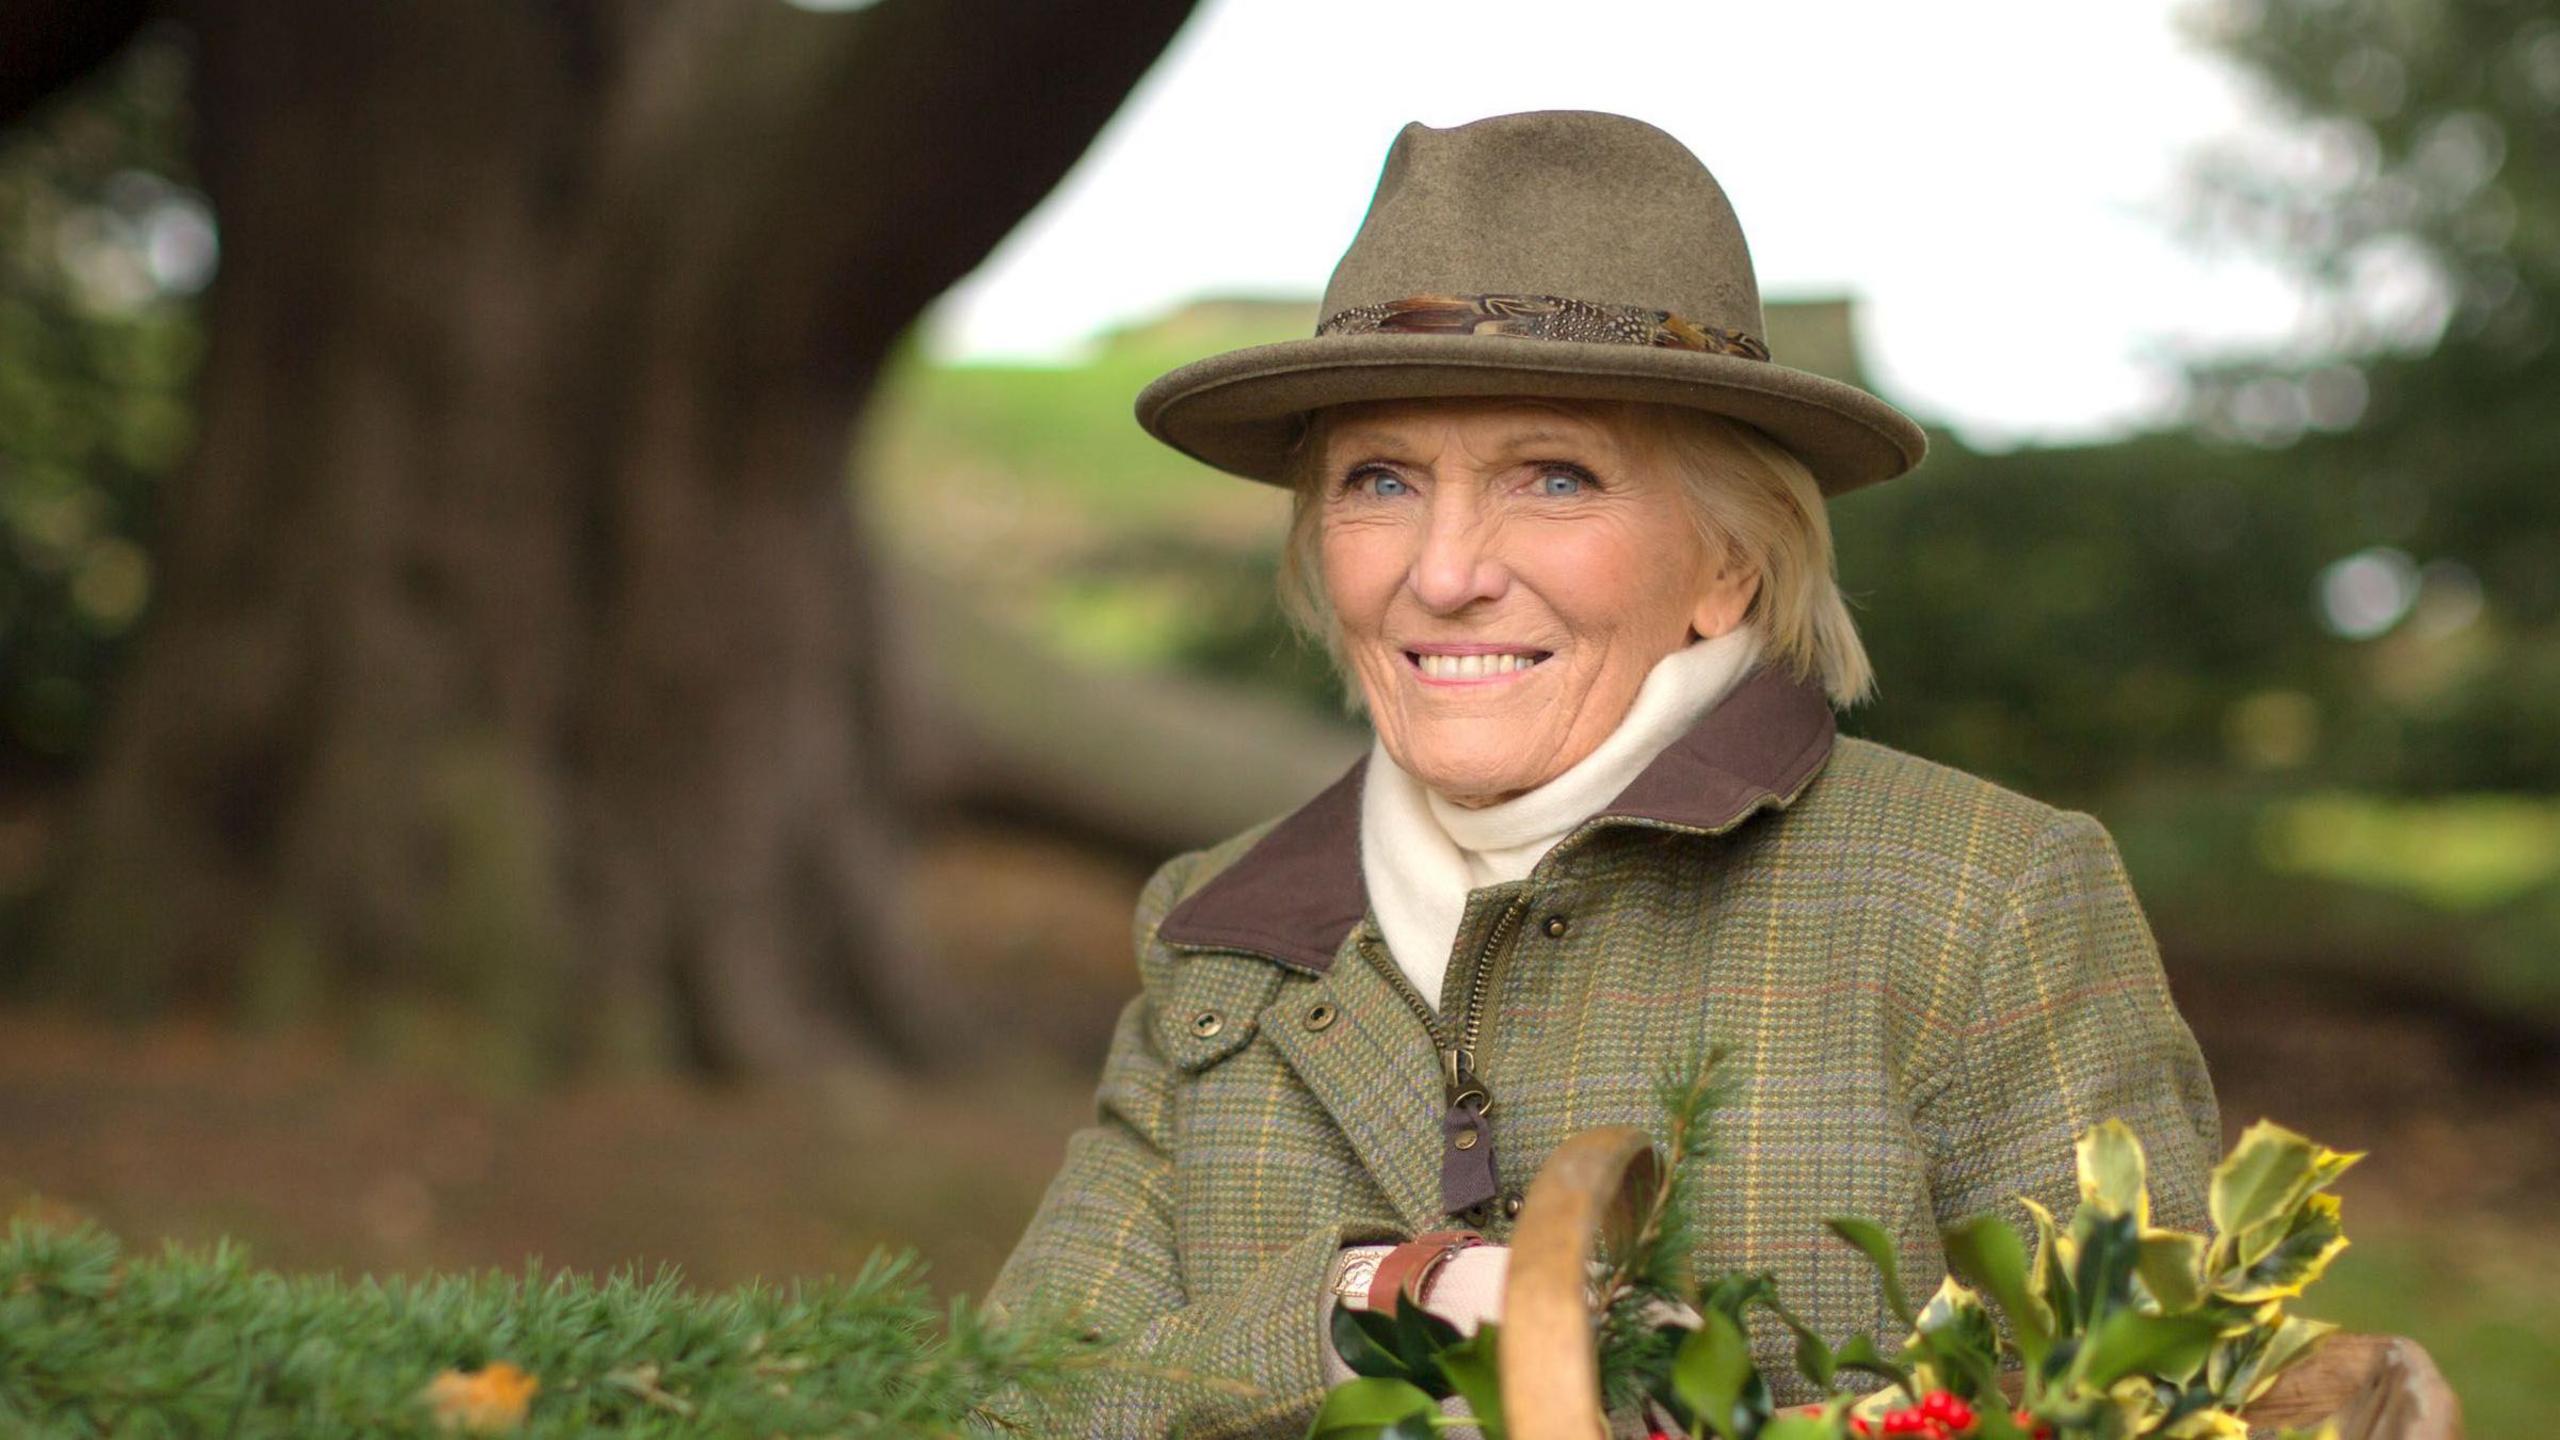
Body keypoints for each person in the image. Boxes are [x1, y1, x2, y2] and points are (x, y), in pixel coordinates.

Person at [984, 109, 2219, 1438]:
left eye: (1554, 478)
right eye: (1382, 481)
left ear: (1725, 564)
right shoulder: (1222, 930)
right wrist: (1376, 1314)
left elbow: (2145, 1406)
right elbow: (1004, 1410)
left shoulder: (1979, 898)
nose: (1444, 572)